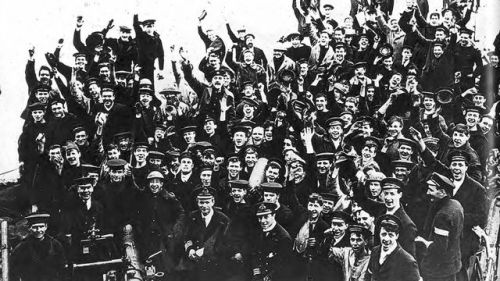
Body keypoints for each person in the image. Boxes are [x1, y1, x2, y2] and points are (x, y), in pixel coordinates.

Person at [417, 172, 464, 281]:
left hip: (438, 270)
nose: (428, 192)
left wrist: (424, 243)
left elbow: (439, 247)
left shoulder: (442, 216)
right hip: (452, 264)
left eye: (431, 190)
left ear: (442, 192)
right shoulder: (456, 204)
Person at [182, 187, 230, 281]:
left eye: (207, 202)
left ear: (213, 202)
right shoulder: (192, 216)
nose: (204, 205)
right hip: (194, 264)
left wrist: (206, 251)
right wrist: (190, 250)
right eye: (201, 202)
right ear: (197, 202)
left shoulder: (223, 220)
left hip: (215, 264)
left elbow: (226, 243)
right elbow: (187, 237)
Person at [10, 213, 67, 281]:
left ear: (46, 227)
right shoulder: (22, 246)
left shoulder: (55, 244)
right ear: (29, 228)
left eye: (41, 226)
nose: (39, 230)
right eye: (35, 227)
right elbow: (14, 268)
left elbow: (62, 266)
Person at [365, 214, 421, 281]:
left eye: (391, 235)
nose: (386, 239)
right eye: (383, 234)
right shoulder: (375, 251)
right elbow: (368, 277)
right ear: (379, 234)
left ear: (397, 236)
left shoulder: (408, 261)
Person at [251, 202, 293, 281]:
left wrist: (267, 278)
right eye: (260, 217)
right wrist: (256, 273)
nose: (263, 221)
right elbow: (255, 254)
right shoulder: (259, 232)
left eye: (266, 217)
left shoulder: (283, 237)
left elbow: (283, 265)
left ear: (274, 215)